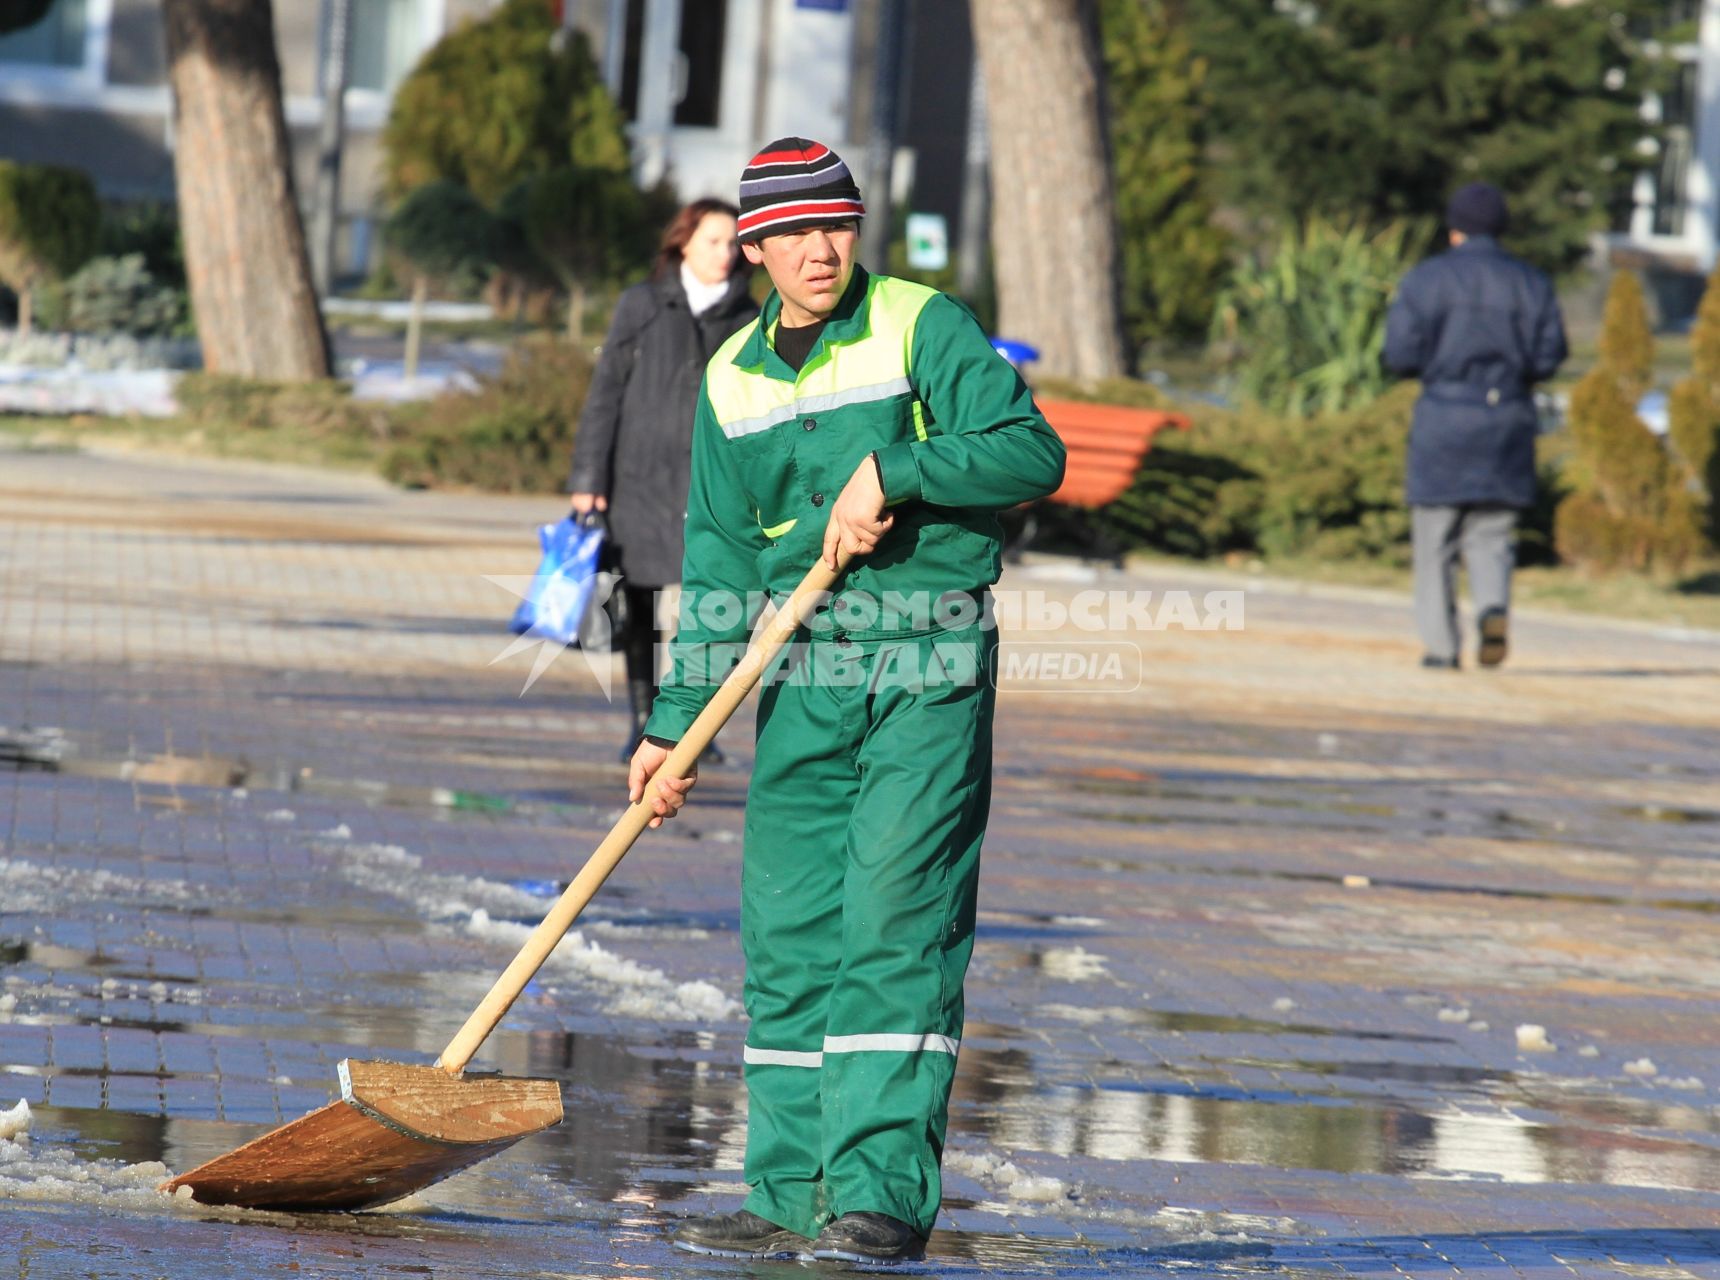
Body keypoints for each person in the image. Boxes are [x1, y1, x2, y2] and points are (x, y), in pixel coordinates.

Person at [626, 138, 1065, 1264]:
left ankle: (874, 1196)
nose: (821, 249)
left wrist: (899, 470)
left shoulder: (922, 324)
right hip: (804, 675)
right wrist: (673, 725)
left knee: (895, 922)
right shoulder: (730, 379)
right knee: (790, 933)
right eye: (794, 233)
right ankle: (786, 1193)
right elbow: (721, 566)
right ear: (756, 245)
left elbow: (1029, 449)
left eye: (839, 225)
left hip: (926, 659)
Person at [567, 198, 760, 758]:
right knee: (641, 609)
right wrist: (588, 474)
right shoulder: (642, 305)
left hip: (711, 484)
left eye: (732, 243)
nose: (724, 254)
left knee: (712, 608)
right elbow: (605, 394)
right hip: (639, 479)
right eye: (712, 242)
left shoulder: (750, 320)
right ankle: (645, 720)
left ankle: (696, 728)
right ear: (683, 243)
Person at [1384, 181, 1567, 670]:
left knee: (1436, 539)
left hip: (1444, 415)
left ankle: (1442, 648)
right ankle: (1492, 608)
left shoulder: (1427, 280)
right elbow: (1551, 355)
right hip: (1507, 415)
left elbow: (1398, 354)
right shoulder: (1532, 282)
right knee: (1492, 534)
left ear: (1454, 230)